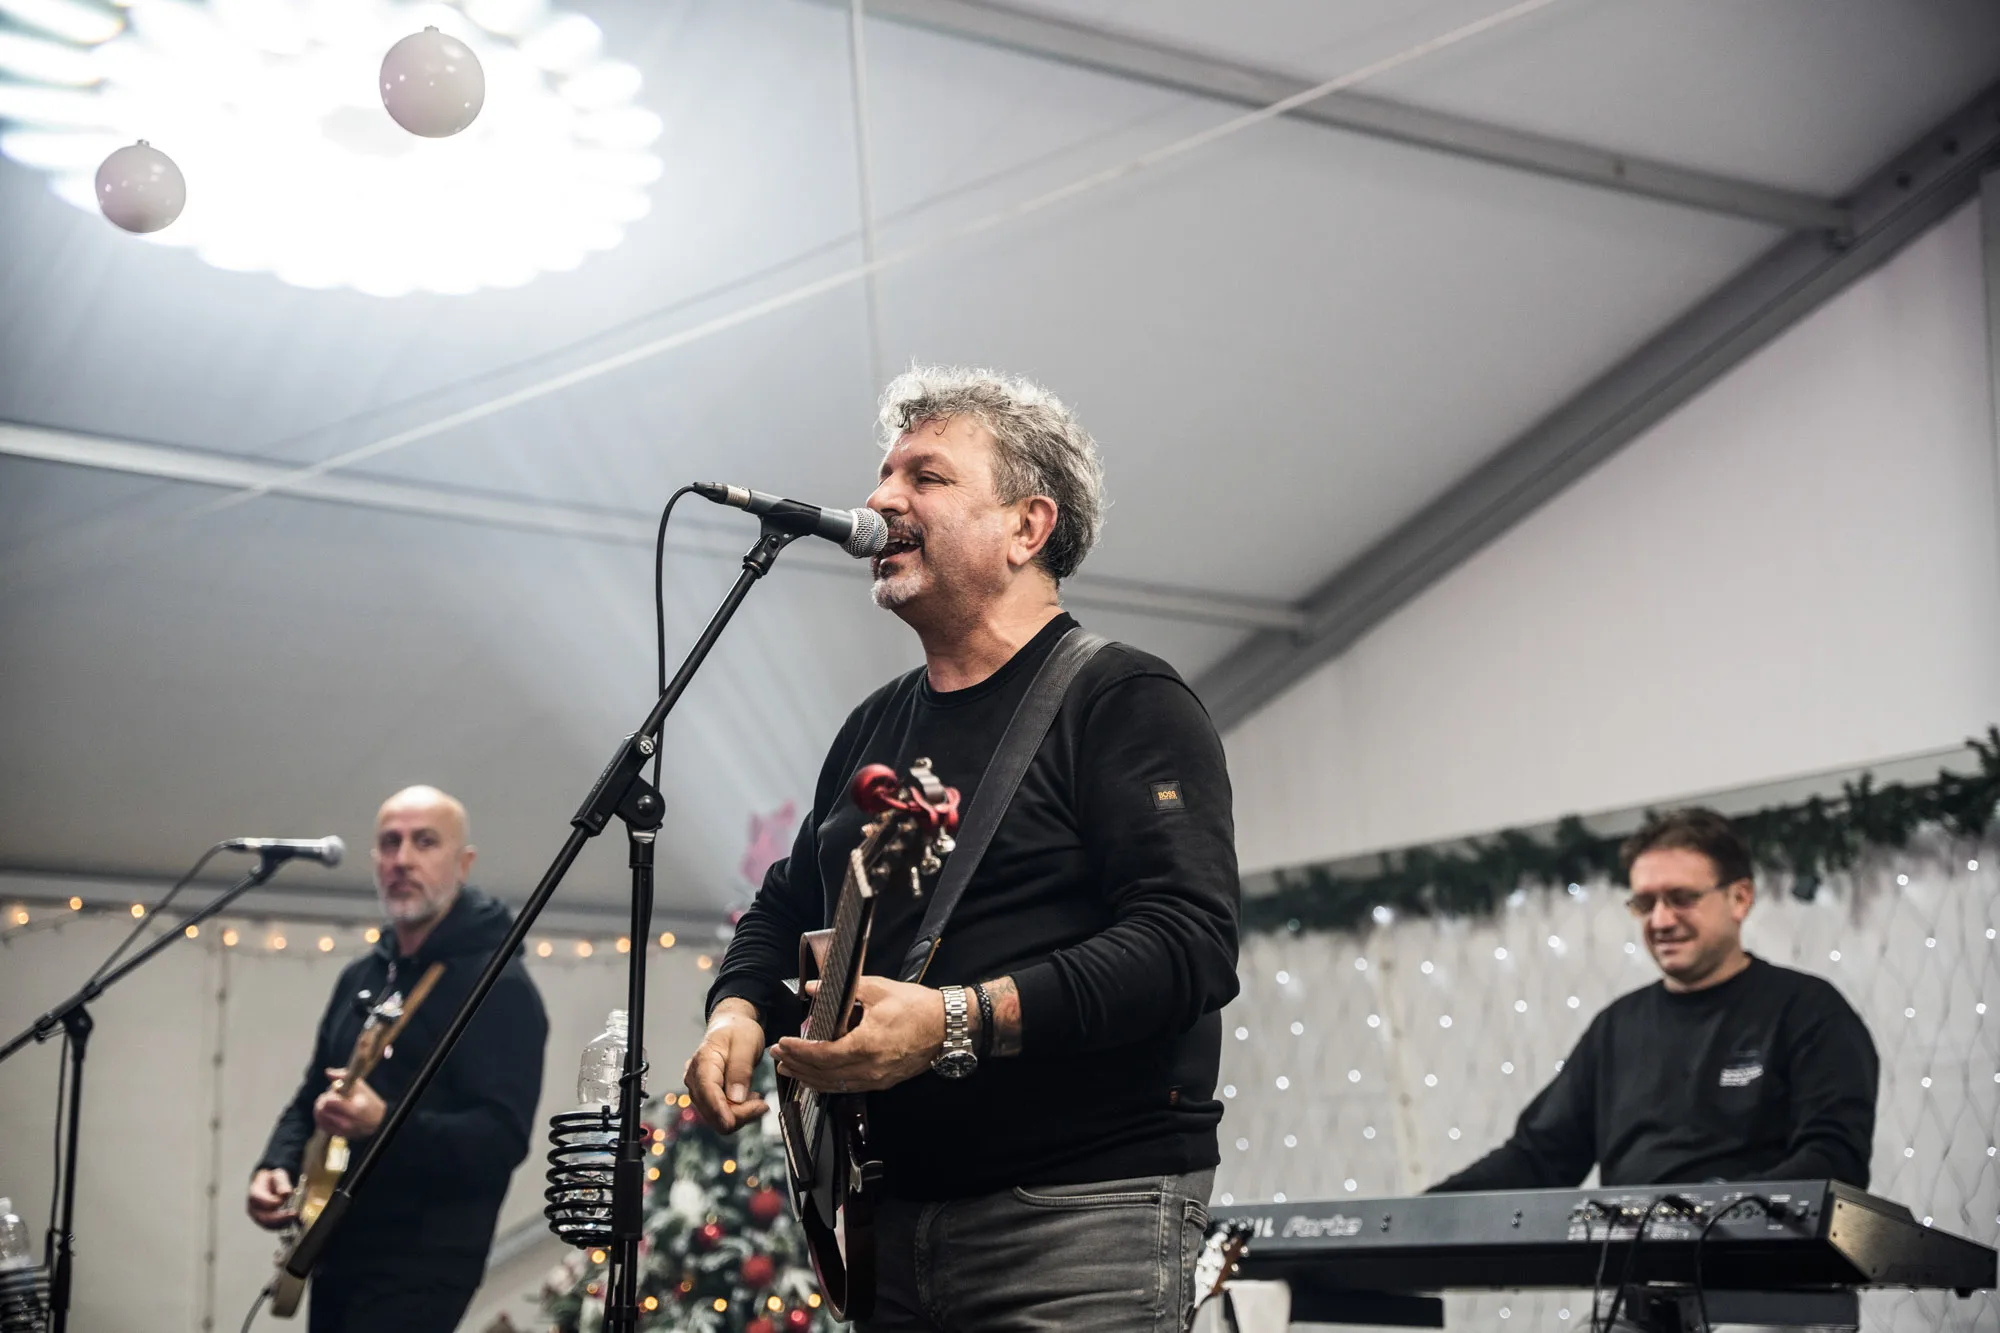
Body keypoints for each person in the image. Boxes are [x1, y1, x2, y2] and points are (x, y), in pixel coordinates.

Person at [685, 366, 1241, 1332]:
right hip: (891, 1219)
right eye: (884, 473)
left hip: (1082, 1218)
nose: (880, 499)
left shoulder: (1125, 700)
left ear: (1028, 526)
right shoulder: (875, 725)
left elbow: (1187, 943)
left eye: (926, 476)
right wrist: (736, 1009)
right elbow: (784, 905)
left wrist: (954, 1019)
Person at [1433, 807, 1877, 1192]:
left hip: (1765, 1266)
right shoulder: (1616, 1028)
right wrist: (1419, 1215)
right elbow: (1538, 1157)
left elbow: (1834, 1160)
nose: (1661, 921)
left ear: (1739, 899)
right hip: (1629, 1266)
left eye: (1681, 899)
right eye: (1645, 904)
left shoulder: (1808, 1010)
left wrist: (1716, 1214)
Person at [246, 785, 548, 1332]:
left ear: (464, 863)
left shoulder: (498, 987)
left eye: (424, 842)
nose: (402, 859)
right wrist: (276, 1164)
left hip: (424, 1265)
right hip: (336, 1246)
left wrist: (382, 1123)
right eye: (390, 843)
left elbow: (501, 1139)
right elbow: (313, 1094)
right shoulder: (361, 976)